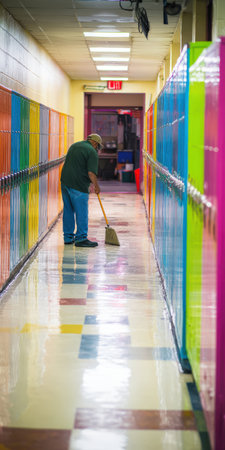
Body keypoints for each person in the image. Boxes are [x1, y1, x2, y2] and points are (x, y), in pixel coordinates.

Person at [60, 133, 102, 247]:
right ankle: (81, 238)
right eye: (98, 146)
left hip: (65, 182)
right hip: (78, 185)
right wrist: (97, 186)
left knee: (68, 209)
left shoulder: (74, 145)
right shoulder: (92, 152)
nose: (97, 149)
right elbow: (91, 173)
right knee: (81, 211)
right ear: (95, 143)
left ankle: (68, 237)